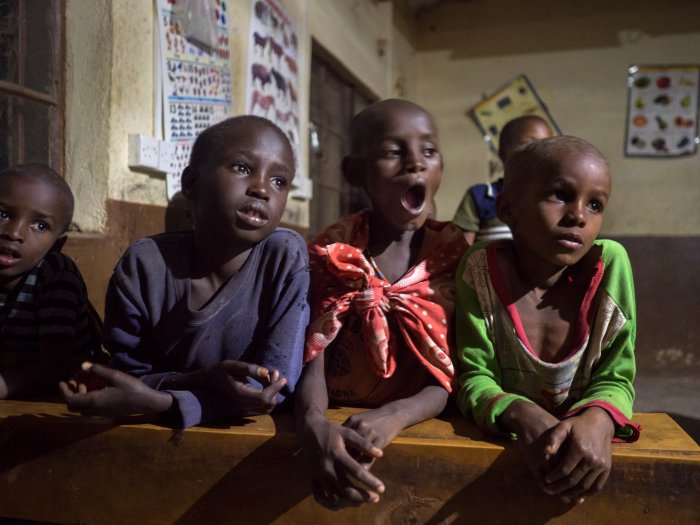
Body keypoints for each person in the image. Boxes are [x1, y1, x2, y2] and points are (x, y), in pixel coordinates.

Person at [61, 116, 309, 428]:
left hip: (249, 443)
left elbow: (275, 388)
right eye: (243, 168)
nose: (261, 189)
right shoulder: (145, 265)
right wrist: (203, 380)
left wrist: (164, 401)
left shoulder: (284, 257)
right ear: (191, 184)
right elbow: (128, 377)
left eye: (279, 182)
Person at [296, 99, 468, 508]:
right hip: (335, 419)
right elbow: (310, 356)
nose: (415, 164)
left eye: (428, 151)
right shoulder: (331, 254)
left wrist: (397, 415)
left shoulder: (456, 257)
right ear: (355, 173)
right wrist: (313, 423)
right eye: (393, 152)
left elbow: (449, 374)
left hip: (420, 425)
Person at [455, 136, 641, 506]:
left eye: (594, 204)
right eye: (560, 195)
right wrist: (519, 412)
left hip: (584, 456)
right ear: (507, 207)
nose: (578, 216)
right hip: (500, 457)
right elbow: (472, 375)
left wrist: (599, 419)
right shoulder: (480, 269)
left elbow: (617, 376)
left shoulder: (611, 267)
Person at [0, 163, 100, 398]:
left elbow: (55, 366)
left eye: (40, 225)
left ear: (56, 245)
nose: (14, 233)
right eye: (3, 214)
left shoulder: (55, 274)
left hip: (58, 400)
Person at [453, 115, 554, 244]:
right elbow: (459, 251)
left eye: (547, 148)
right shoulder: (481, 196)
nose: (539, 154)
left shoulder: (553, 199)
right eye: (529, 146)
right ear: (503, 153)